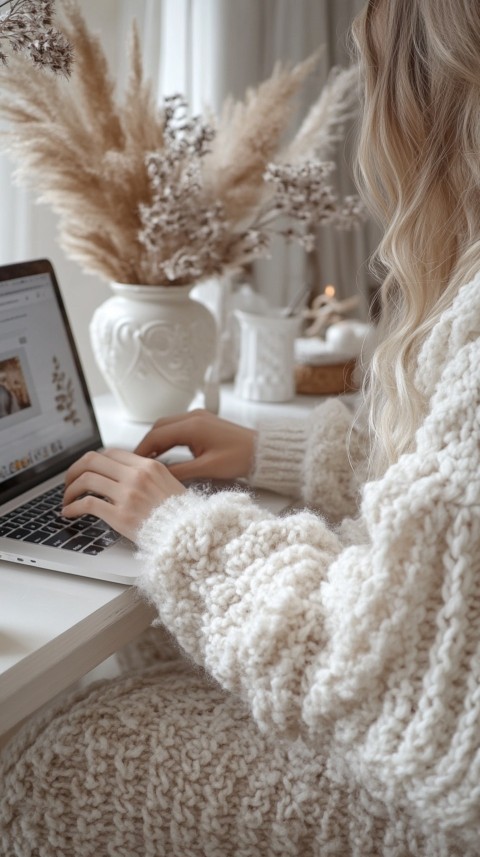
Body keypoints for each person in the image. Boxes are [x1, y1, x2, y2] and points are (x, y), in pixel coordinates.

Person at [1, 0, 480, 854]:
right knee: (155, 654)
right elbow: (450, 506)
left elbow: (369, 664)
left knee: (40, 754)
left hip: (433, 805)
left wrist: (174, 524)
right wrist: (278, 451)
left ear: (428, 102)